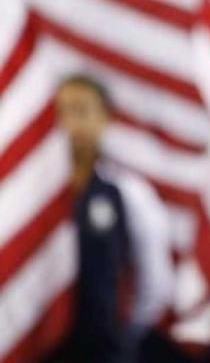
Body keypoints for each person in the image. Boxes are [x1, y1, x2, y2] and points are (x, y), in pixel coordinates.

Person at [45, 75, 174, 363]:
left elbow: (154, 279)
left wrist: (123, 331)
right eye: (61, 111)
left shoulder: (129, 193)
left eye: (80, 110)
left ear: (104, 118)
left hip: (104, 350)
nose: (69, 123)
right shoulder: (32, 195)